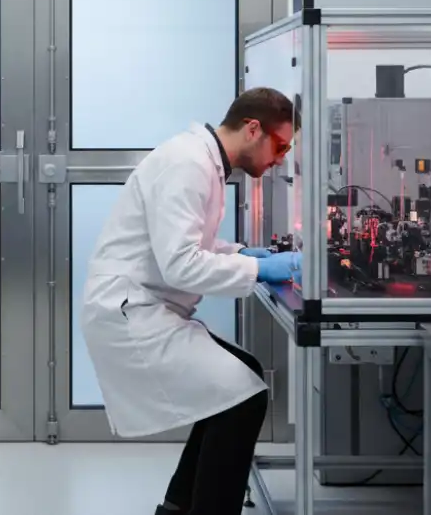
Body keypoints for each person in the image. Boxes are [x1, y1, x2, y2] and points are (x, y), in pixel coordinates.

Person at [80, 87, 302, 515]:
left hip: (146, 304)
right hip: (130, 313)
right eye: (280, 145)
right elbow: (181, 265)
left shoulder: (205, 162)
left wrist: (240, 254)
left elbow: (186, 244)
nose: (281, 159)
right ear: (252, 129)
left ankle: (177, 507)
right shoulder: (189, 164)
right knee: (242, 396)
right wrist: (259, 271)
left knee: (241, 377)